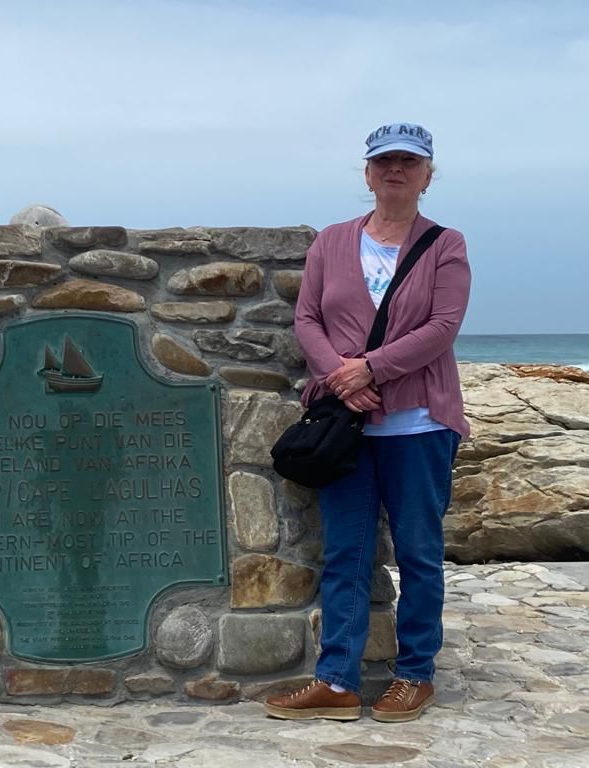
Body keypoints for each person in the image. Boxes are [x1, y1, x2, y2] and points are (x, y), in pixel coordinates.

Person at [265, 123, 471, 723]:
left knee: (419, 553)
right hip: (345, 432)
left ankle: (415, 674)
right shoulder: (332, 241)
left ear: (427, 176)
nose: (395, 170)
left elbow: (442, 327)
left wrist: (370, 370)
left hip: (419, 426)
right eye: (384, 162)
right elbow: (308, 319)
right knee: (346, 555)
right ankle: (337, 681)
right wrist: (340, 378)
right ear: (368, 173)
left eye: (408, 162)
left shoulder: (446, 245)